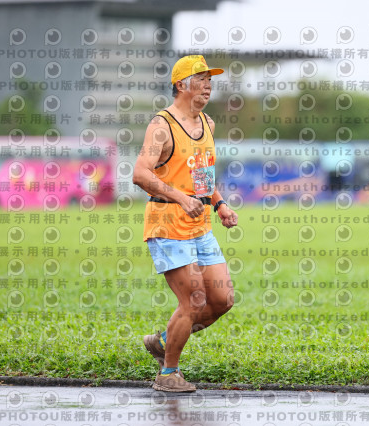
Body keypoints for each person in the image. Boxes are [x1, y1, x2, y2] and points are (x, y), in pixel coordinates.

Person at [132, 55, 238, 392]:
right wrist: (180, 197)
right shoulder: (161, 126)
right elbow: (140, 174)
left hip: (200, 226)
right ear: (181, 85)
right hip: (167, 226)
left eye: (210, 80)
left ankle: (164, 340)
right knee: (193, 300)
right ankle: (168, 374)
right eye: (200, 79)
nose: (208, 86)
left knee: (222, 300)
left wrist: (219, 204)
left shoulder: (208, 124)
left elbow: (201, 175)